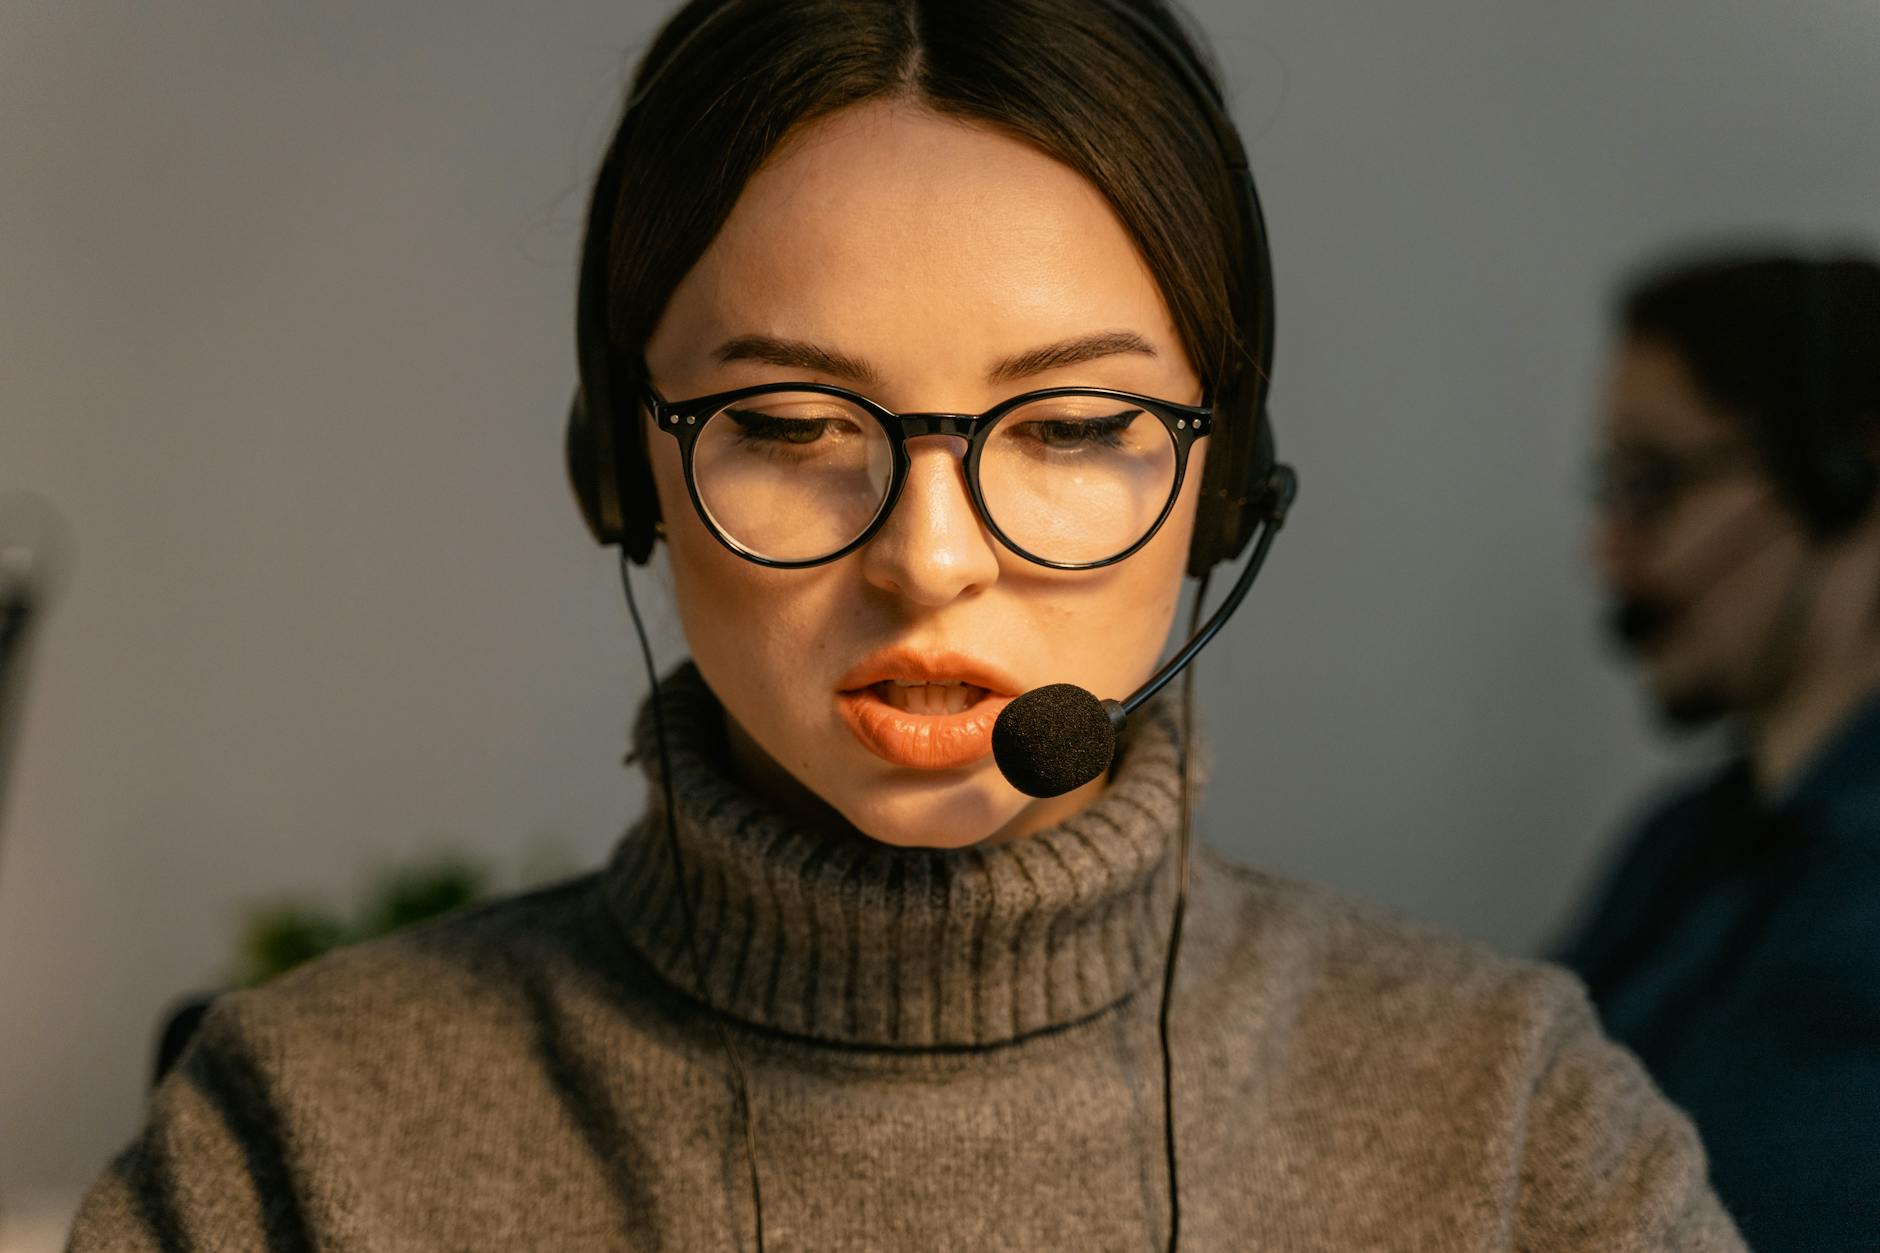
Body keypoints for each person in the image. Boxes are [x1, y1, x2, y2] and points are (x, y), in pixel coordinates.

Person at [70, 2, 1742, 1248]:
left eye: (1076, 425)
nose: (929, 559)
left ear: (1222, 487)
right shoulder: (295, 1145)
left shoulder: (1521, 1137)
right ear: (621, 466)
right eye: (791, 424)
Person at [1558, 249, 1880, 1251]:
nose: (1606, 550)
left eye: (1650, 482)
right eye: (1610, 485)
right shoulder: (1675, 845)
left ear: (1839, 479)